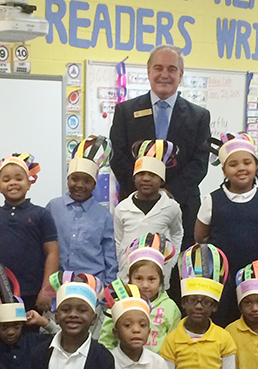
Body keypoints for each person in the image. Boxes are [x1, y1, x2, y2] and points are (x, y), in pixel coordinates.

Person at [110, 44, 211, 250]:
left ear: (180, 74)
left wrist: (167, 193)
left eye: (172, 69)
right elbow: (118, 157)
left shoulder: (199, 116)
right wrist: (145, 190)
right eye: (158, 68)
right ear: (149, 71)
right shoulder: (125, 112)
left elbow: (199, 163)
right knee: (134, 265)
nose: (164, 75)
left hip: (182, 209)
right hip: (135, 208)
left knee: (177, 267)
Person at [196, 132, 258, 326]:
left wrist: (256, 246)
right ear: (224, 171)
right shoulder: (212, 200)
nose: (241, 168)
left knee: (253, 321)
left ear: (256, 166)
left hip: (256, 275)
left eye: (247, 162)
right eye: (233, 164)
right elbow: (201, 237)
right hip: (221, 278)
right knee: (221, 322)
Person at [160, 244, 237, 369]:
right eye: (193, 300)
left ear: (214, 306)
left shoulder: (224, 338)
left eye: (206, 301)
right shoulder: (172, 340)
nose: (199, 306)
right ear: (183, 303)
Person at [0, 153, 59, 313]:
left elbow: (53, 252)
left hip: (32, 291)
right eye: (6, 179)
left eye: (19, 178)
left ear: (29, 183)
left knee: (32, 328)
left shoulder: (41, 214)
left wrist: (47, 289)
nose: (13, 183)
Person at [46, 135, 117, 286]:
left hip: (93, 285)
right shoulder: (53, 207)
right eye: (75, 179)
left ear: (95, 184)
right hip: (58, 284)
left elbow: (110, 255)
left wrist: (108, 288)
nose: (80, 185)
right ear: (67, 179)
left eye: (87, 181)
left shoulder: (103, 216)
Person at [113, 140, 183, 288]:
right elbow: (118, 241)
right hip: (128, 279)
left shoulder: (171, 207)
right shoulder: (122, 208)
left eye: (152, 175)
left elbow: (177, 234)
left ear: (161, 180)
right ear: (134, 178)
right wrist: (123, 264)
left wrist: (171, 262)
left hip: (157, 279)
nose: (145, 179)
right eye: (140, 174)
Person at [99, 233, 180, 353]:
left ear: (161, 279)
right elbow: (106, 340)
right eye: (139, 279)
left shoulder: (170, 307)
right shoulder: (119, 303)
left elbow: (175, 342)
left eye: (151, 279)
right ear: (129, 277)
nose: (145, 285)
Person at [103, 280, 171, 369]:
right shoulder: (107, 363)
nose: (136, 330)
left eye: (142, 325)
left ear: (149, 332)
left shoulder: (157, 363)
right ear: (115, 332)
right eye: (128, 325)